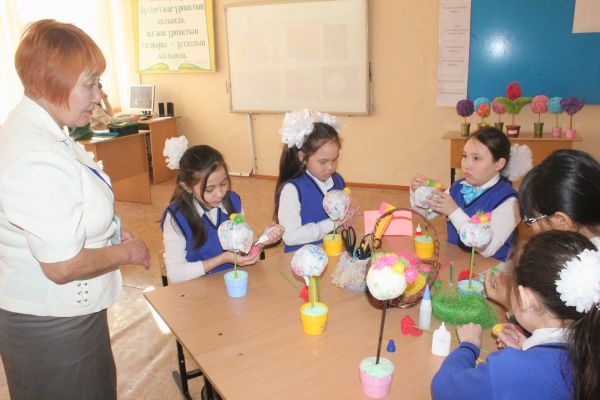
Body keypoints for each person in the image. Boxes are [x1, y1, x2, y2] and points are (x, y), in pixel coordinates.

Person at [0, 19, 150, 400]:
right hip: (53, 327)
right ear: (51, 81)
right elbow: (63, 266)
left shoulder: (46, 131)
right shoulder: (33, 154)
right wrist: (127, 252)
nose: (99, 96)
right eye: (90, 84)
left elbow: (70, 205)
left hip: (65, 317)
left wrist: (109, 231)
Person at [432, 230, 600, 400]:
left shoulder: (512, 370)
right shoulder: (589, 349)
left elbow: (443, 388)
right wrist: (529, 348)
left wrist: (469, 345)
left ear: (526, 298)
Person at [485, 149, 600, 311]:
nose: (532, 229)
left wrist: (511, 303)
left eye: (532, 220)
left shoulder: (587, 274)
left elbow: (558, 324)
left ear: (561, 221)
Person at [161, 138, 283, 283]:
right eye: (209, 189)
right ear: (187, 187)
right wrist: (223, 259)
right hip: (197, 287)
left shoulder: (232, 201)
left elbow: (241, 251)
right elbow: (175, 274)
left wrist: (263, 240)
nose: (220, 194)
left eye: (224, 183)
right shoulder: (176, 218)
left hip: (230, 280)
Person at [411, 127, 530, 260]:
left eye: (476, 158)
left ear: (498, 164)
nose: (467, 165)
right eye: (465, 156)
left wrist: (453, 212)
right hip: (457, 258)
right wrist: (420, 192)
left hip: (492, 265)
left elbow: (488, 249)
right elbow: (426, 214)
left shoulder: (510, 201)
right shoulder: (458, 186)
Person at [274, 109, 358, 253]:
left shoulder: (338, 181)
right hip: (301, 257)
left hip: (332, 251)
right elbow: (290, 237)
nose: (330, 167)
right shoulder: (292, 189)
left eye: (334, 159)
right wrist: (333, 223)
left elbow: (338, 222)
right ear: (302, 157)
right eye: (323, 162)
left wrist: (345, 220)